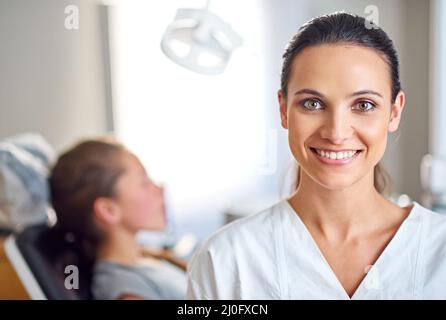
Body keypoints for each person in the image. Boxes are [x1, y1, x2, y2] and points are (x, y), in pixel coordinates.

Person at [186, 12, 446, 299]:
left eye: (364, 105)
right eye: (312, 103)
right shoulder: (225, 261)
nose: (336, 132)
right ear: (284, 110)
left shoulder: (439, 251)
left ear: (394, 112)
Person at [49, 138, 187, 300]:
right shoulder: (123, 287)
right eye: (144, 182)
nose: (159, 189)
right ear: (109, 210)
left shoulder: (146, 256)